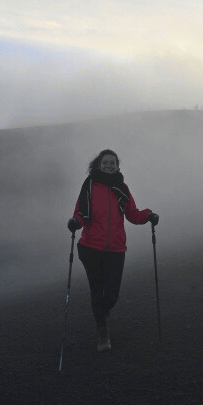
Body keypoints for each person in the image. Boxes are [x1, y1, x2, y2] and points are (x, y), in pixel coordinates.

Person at [67, 149, 159, 352]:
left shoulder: (122, 188)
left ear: (118, 165)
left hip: (116, 248)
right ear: (98, 165)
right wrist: (76, 222)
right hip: (91, 248)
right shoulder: (90, 185)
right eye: (105, 162)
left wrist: (148, 215)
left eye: (113, 163)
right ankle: (103, 333)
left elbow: (132, 214)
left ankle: (101, 312)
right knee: (97, 290)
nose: (109, 165)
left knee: (112, 295)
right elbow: (81, 213)